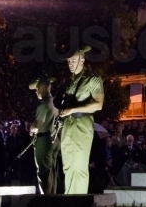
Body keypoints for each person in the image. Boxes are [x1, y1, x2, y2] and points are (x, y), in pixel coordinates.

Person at [58, 45, 104, 194]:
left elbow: (98, 104)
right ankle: (69, 197)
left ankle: (78, 200)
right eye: (69, 61)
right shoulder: (68, 81)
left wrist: (73, 109)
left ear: (82, 60)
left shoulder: (93, 79)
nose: (70, 64)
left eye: (74, 60)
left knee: (79, 165)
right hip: (67, 123)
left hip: (82, 122)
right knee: (68, 165)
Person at [28, 76, 58, 195]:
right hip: (54, 139)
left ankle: (46, 199)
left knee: (43, 173)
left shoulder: (43, 105)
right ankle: (53, 196)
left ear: (42, 88)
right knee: (52, 173)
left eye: (37, 89)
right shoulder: (55, 102)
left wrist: (31, 128)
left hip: (44, 140)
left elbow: (38, 125)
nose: (36, 92)